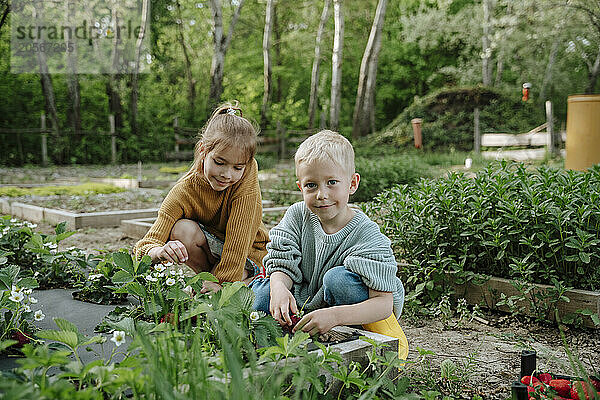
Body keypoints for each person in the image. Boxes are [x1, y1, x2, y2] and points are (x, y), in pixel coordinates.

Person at [251, 130, 408, 359]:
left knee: (337, 279)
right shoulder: (297, 215)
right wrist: (279, 288)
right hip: (311, 298)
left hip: (357, 307)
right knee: (263, 293)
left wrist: (335, 316)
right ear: (300, 187)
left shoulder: (366, 234)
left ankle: (356, 335)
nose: (321, 194)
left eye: (332, 183)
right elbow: (282, 264)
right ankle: (287, 336)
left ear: (352, 183)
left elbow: (383, 304)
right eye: (311, 185)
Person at [134, 104, 269, 293]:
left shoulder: (246, 177)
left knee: (219, 287)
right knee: (182, 230)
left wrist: (221, 281)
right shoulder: (185, 191)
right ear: (203, 150)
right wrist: (160, 252)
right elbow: (146, 244)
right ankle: (215, 281)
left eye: (237, 168)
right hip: (214, 251)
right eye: (219, 163)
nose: (227, 175)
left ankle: (239, 280)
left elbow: (238, 241)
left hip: (248, 253)